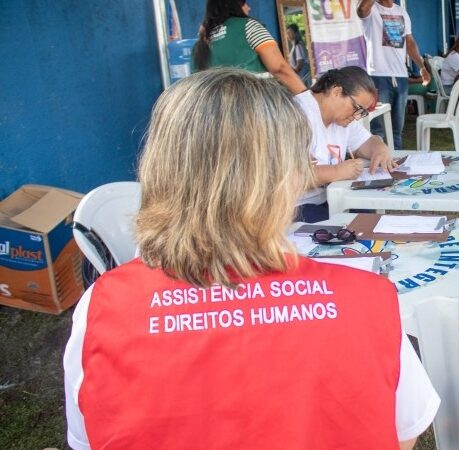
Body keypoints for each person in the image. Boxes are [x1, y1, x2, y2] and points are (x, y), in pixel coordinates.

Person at [63, 68, 439, 450]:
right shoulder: (368, 300)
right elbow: (405, 430)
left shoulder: (104, 308)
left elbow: (89, 436)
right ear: (285, 177)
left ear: (161, 168)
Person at [294, 66, 397, 223]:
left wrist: (380, 149)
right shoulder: (298, 113)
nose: (356, 117)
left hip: (329, 197)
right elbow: (292, 177)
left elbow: (367, 142)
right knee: (354, 226)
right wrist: (336, 171)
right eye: (357, 108)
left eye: (361, 112)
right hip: (295, 207)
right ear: (336, 92)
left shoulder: (342, 119)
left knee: (368, 219)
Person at [357, 0, 430, 150]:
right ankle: (380, 167)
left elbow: (409, 42)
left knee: (397, 128)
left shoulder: (402, 12)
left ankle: (396, 164)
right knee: (378, 128)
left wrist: (421, 67)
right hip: (378, 76)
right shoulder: (372, 9)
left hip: (401, 76)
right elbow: (361, 9)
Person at [191, 0, 306, 94]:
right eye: (244, 2)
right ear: (234, 5)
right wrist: (307, 98)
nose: (248, 7)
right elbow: (280, 69)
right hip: (255, 111)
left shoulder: (200, 44)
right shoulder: (249, 26)